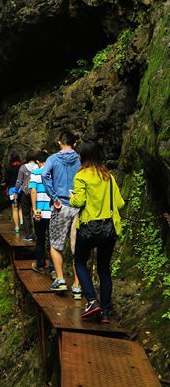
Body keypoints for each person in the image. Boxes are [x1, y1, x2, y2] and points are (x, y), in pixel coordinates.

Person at [70, 140, 124, 322]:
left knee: (79, 262)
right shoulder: (108, 176)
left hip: (87, 229)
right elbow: (119, 203)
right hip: (108, 229)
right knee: (104, 269)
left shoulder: (81, 177)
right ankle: (106, 312)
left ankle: (92, 300)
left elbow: (78, 202)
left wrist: (72, 197)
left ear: (83, 156)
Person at [41, 131, 82, 297]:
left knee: (56, 244)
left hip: (60, 206)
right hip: (79, 207)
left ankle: (60, 280)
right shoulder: (80, 158)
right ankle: (78, 286)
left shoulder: (52, 158)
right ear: (75, 144)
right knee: (78, 248)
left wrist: (54, 197)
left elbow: (44, 174)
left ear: (59, 143)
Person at [29, 150, 55, 275]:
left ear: (38, 161)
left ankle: (40, 264)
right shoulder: (53, 173)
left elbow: (33, 191)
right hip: (52, 212)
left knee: (40, 239)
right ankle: (53, 267)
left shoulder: (35, 173)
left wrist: (34, 209)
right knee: (52, 240)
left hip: (39, 212)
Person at [15, 150, 39, 241]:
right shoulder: (39, 167)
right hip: (37, 193)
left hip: (25, 193)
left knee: (26, 214)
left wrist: (16, 191)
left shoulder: (23, 167)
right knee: (36, 213)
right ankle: (37, 234)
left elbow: (19, 181)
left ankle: (28, 235)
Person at [4, 150, 23, 231]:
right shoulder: (22, 167)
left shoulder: (9, 168)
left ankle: (17, 227)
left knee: (14, 208)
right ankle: (22, 221)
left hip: (12, 190)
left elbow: (6, 180)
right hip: (21, 189)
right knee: (21, 207)